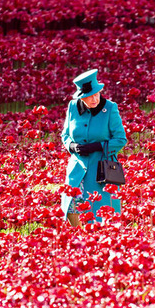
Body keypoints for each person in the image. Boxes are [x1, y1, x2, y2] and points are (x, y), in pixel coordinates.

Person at [61, 69, 127, 226]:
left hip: (101, 170)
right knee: (71, 208)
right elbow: (65, 135)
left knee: (100, 214)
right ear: (81, 96)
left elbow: (120, 139)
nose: (94, 99)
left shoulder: (110, 108)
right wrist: (72, 146)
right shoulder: (72, 107)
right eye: (89, 96)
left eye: (97, 94)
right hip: (77, 170)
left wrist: (98, 146)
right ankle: (79, 242)